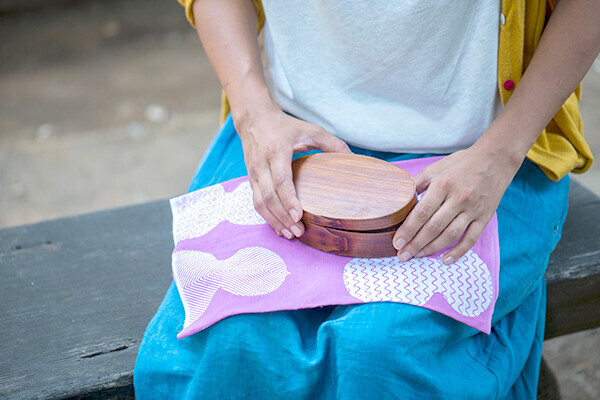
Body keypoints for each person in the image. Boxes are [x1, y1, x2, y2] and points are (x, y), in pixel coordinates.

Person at [134, 1, 599, 398]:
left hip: (484, 155)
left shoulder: (493, 156)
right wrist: (253, 115)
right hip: (288, 135)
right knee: (233, 339)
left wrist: (500, 154)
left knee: (382, 351)